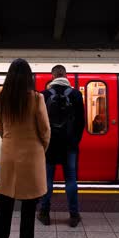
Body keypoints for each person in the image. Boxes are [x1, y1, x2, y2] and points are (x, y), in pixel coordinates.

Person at [0, 58, 50, 238]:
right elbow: (45, 130)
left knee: (4, 205)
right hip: (31, 158)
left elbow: (0, 129)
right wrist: (40, 148)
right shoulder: (36, 98)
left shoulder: (2, 98)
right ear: (28, 77)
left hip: (9, 155)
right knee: (28, 209)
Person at [37, 65, 85, 227]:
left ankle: (44, 214)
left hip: (49, 145)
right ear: (65, 75)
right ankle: (73, 215)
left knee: (47, 179)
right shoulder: (76, 95)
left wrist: (43, 142)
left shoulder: (43, 95)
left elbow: (40, 123)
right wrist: (74, 141)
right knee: (71, 179)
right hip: (69, 145)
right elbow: (80, 123)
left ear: (52, 76)